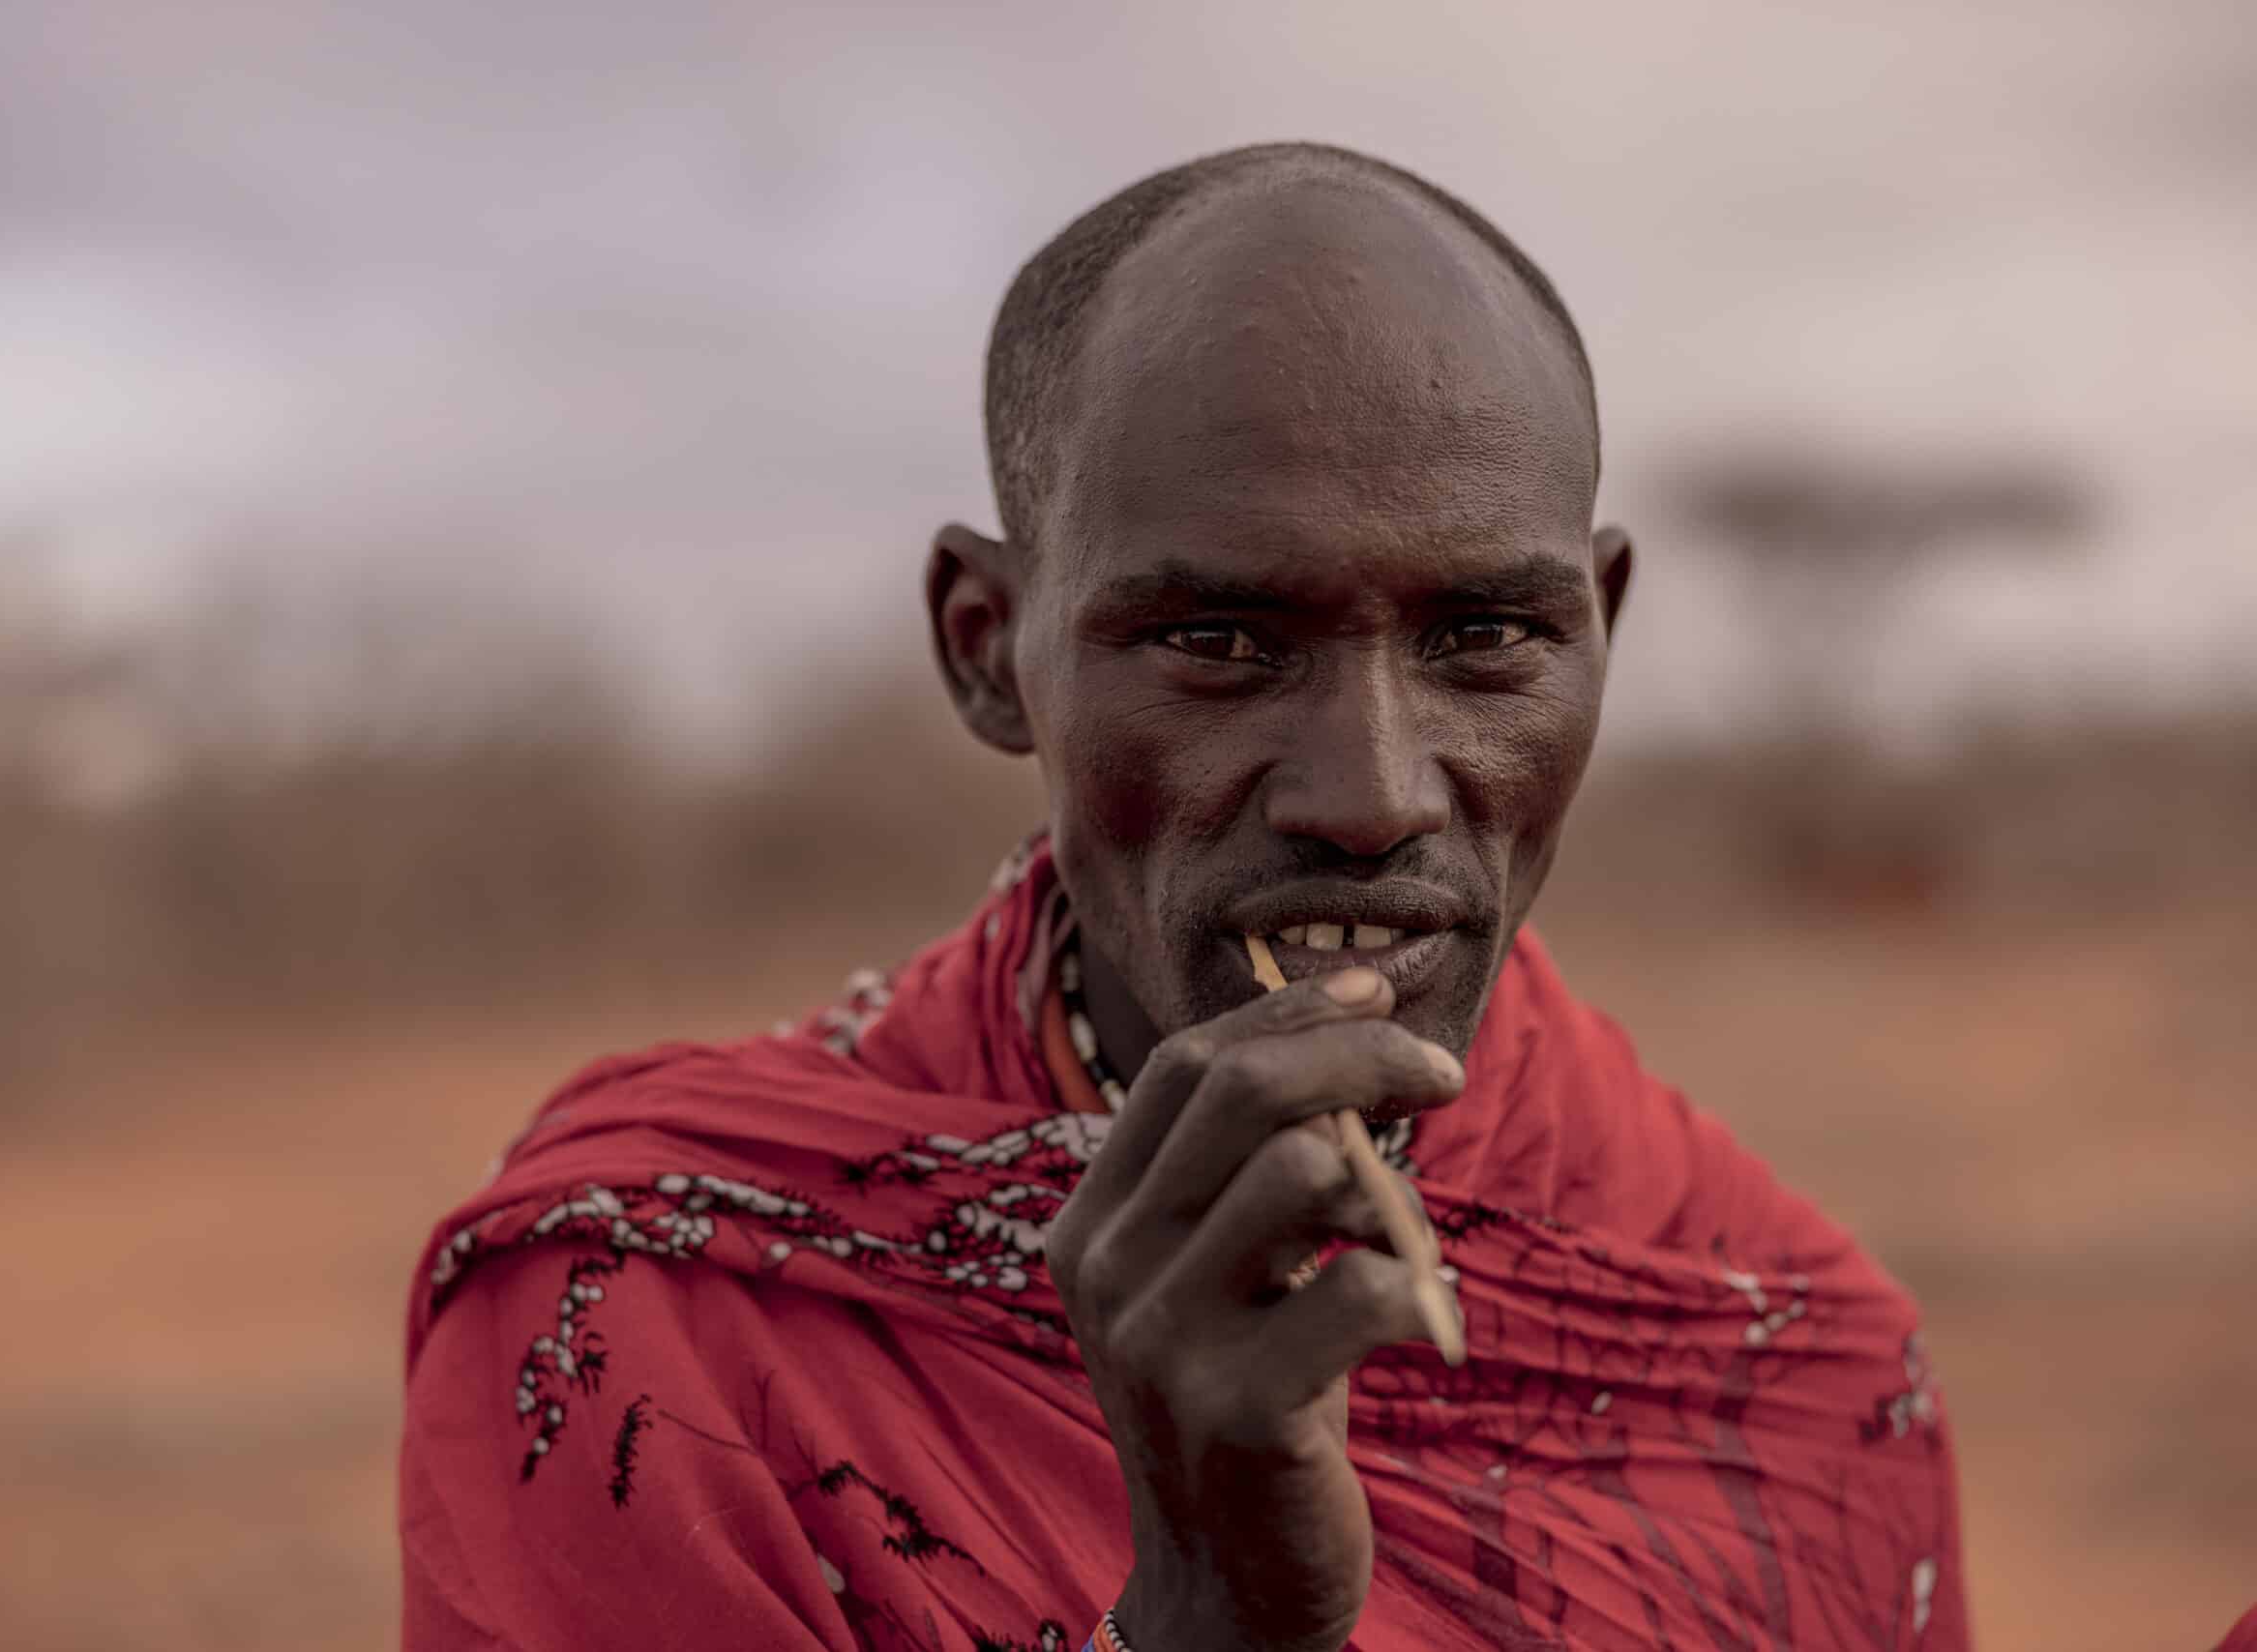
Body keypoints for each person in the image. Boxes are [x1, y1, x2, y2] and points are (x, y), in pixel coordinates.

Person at [399, 141, 1973, 1651]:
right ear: (985, 647)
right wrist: (1198, 1628)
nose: (1369, 796)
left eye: (1484, 635)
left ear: (1601, 632)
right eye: (1220, 642)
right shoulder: (659, 1321)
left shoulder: (1784, 1357)